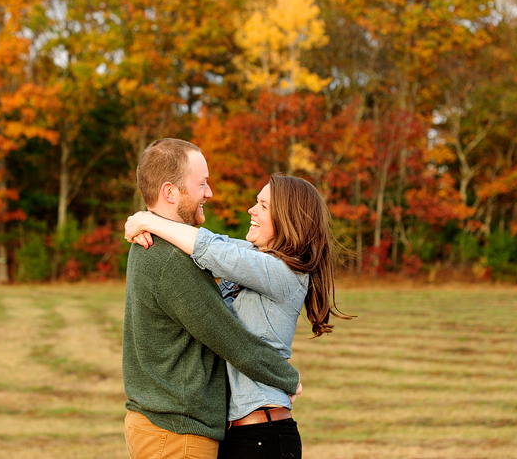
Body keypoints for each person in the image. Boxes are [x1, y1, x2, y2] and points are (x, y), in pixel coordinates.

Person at [125, 171, 351, 459]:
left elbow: (211, 249)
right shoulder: (257, 258)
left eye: (264, 206)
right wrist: (143, 224)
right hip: (239, 433)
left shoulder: (284, 274)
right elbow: (216, 242)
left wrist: (148, 221)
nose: (251, 210)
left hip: (263, 436)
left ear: (289, 219)